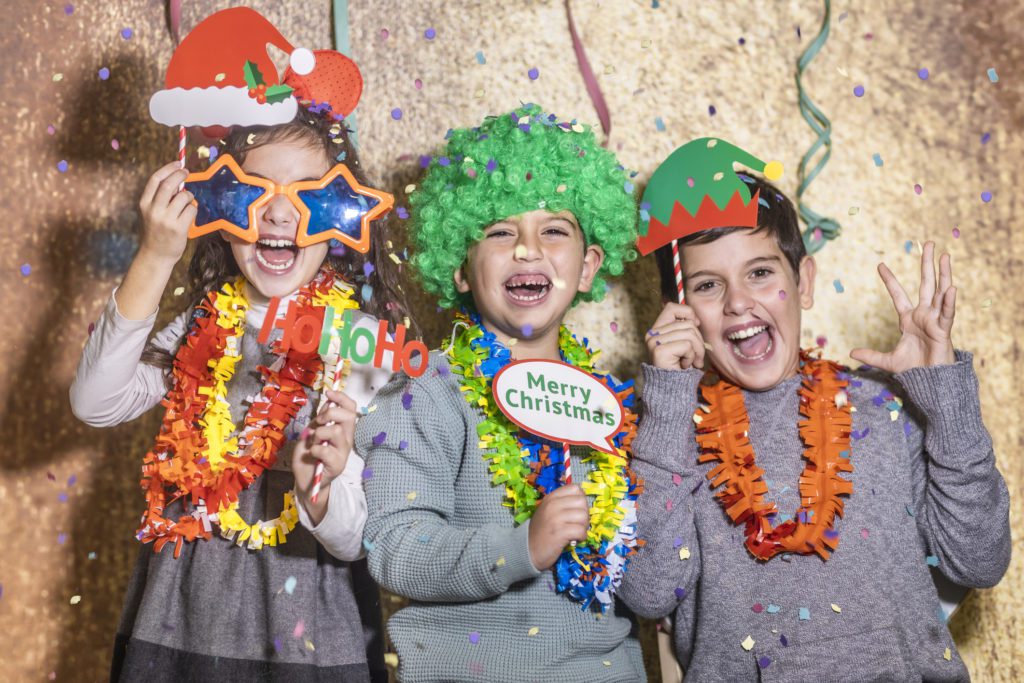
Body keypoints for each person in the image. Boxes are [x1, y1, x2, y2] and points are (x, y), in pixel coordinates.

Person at [70, 13, 406, 679]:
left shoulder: (363, 341)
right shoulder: (203, 320)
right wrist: (155, 257)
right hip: (183, 612)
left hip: (308, 626)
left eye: (309, 196)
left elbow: (352, 539)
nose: (280, 214)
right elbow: (95, 401)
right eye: (255, 193)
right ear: (221, 209)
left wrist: (324, 481)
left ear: (340, 219)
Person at [620, 139, 1011, 681]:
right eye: (708, 285)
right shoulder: (664, 431)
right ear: (679, 311)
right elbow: (649, 591)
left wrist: (946, 398)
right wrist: (667, 401)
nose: (738, 302)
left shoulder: (884, 405)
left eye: (760, 273)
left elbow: (980, 561)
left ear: (802, 282)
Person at [356, 103, 647, 681]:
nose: (526, 248)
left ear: (588, 266)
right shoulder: (424, 391)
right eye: (499, 231)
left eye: (554, 230)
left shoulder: (616, 407)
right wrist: (522, 546)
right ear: (461, 269)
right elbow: (396, 548)